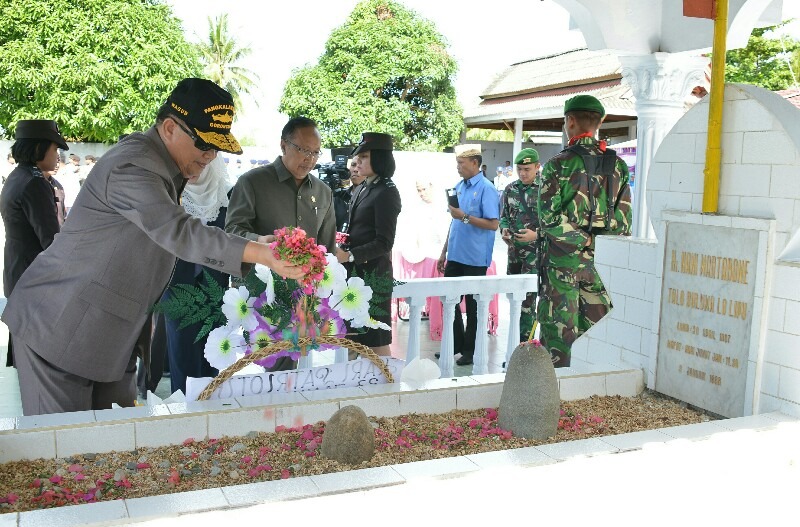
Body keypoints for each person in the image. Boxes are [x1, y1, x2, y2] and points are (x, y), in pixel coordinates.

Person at [2, 78, 304, 416]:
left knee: (115, 445)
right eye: (203, 143)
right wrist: (260, 253)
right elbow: (178, 230)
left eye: (217, 147)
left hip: (108, 336)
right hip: (59, 327)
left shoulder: (162, 165)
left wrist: (255, 244)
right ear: (171, 127)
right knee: (67, 453)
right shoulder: (134, 164)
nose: (210, 155)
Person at [225, 116, 336, 370]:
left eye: (315, 153)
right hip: (262, 290)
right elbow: (231, 230)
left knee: (293, 366)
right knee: (269, 364)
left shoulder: (323, 192)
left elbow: (326, 247)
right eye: (302, 150)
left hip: (304, 294)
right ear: (283, 145)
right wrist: (260, 243)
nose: (309, 158)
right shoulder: (252, 182)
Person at [537, 95, 632, 367]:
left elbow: (549, 220)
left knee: (559, 336)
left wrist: (582, 238)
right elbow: (624, 224)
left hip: (562, 267)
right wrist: (596, 243)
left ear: (571, 121)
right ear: (600, 122)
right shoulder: (618, 166)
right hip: (601, 266)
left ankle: (556, 399)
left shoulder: (557, 164)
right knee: (597, 333)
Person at [162, 156, 233, 394]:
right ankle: (183, 416)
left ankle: (209, 418)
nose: (192, 171)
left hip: (215, 290)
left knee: (212, 356)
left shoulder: (225, 198)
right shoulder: (170, 195)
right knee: (182, 357)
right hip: (177, 289)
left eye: (200, 165)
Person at [0, 120, 67, 368]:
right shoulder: (35, 182)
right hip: (35, 279)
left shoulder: (17, 177)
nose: (57, 155)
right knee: (38, 365)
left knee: (26, 358)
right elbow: (52, 241)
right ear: (39, 148)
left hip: (18, 272)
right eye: (54, 148)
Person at [335, 132, 402, 357]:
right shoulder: (365, 186)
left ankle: (390, 389)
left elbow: (384, 242)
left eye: (364, 156)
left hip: (374, 277)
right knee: (355, 339)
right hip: (355, 276)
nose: (358, 162)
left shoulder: (387, 191)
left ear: (380, 158)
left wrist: (350, 255)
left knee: (376, 341)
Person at [436, 144, 499, 366]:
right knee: (449, 302)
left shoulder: (487, 188)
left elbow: (493, 224)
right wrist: (444, 252)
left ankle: (470, 351)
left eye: (461, 164)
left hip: (474, 257)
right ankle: (455, 344)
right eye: (457, 164)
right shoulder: (459, 186)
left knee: (473, 308)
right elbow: (454, 222)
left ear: (475, 163)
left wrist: (464, 217)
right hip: (455, 254)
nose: (458, 168)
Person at [499, 148, 541, 343]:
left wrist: (536, 235)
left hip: (536, 257)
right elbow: (504, 217)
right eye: (520, 169)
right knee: (515, 302)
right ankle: (515, 347)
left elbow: (554, 225)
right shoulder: (510, 189)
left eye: (527, 169)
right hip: (514, 255)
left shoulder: (547, 190)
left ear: (537, 167)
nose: (523, 173)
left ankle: (525, 348)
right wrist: (504, 230)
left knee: (528, 304)